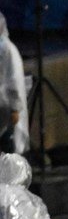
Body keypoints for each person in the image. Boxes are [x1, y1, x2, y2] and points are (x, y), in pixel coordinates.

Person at [0, 14, 28, 155]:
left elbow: (14, 81)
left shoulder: (7, 49)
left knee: (7, 148)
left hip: (5, 109)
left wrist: (15, 109)